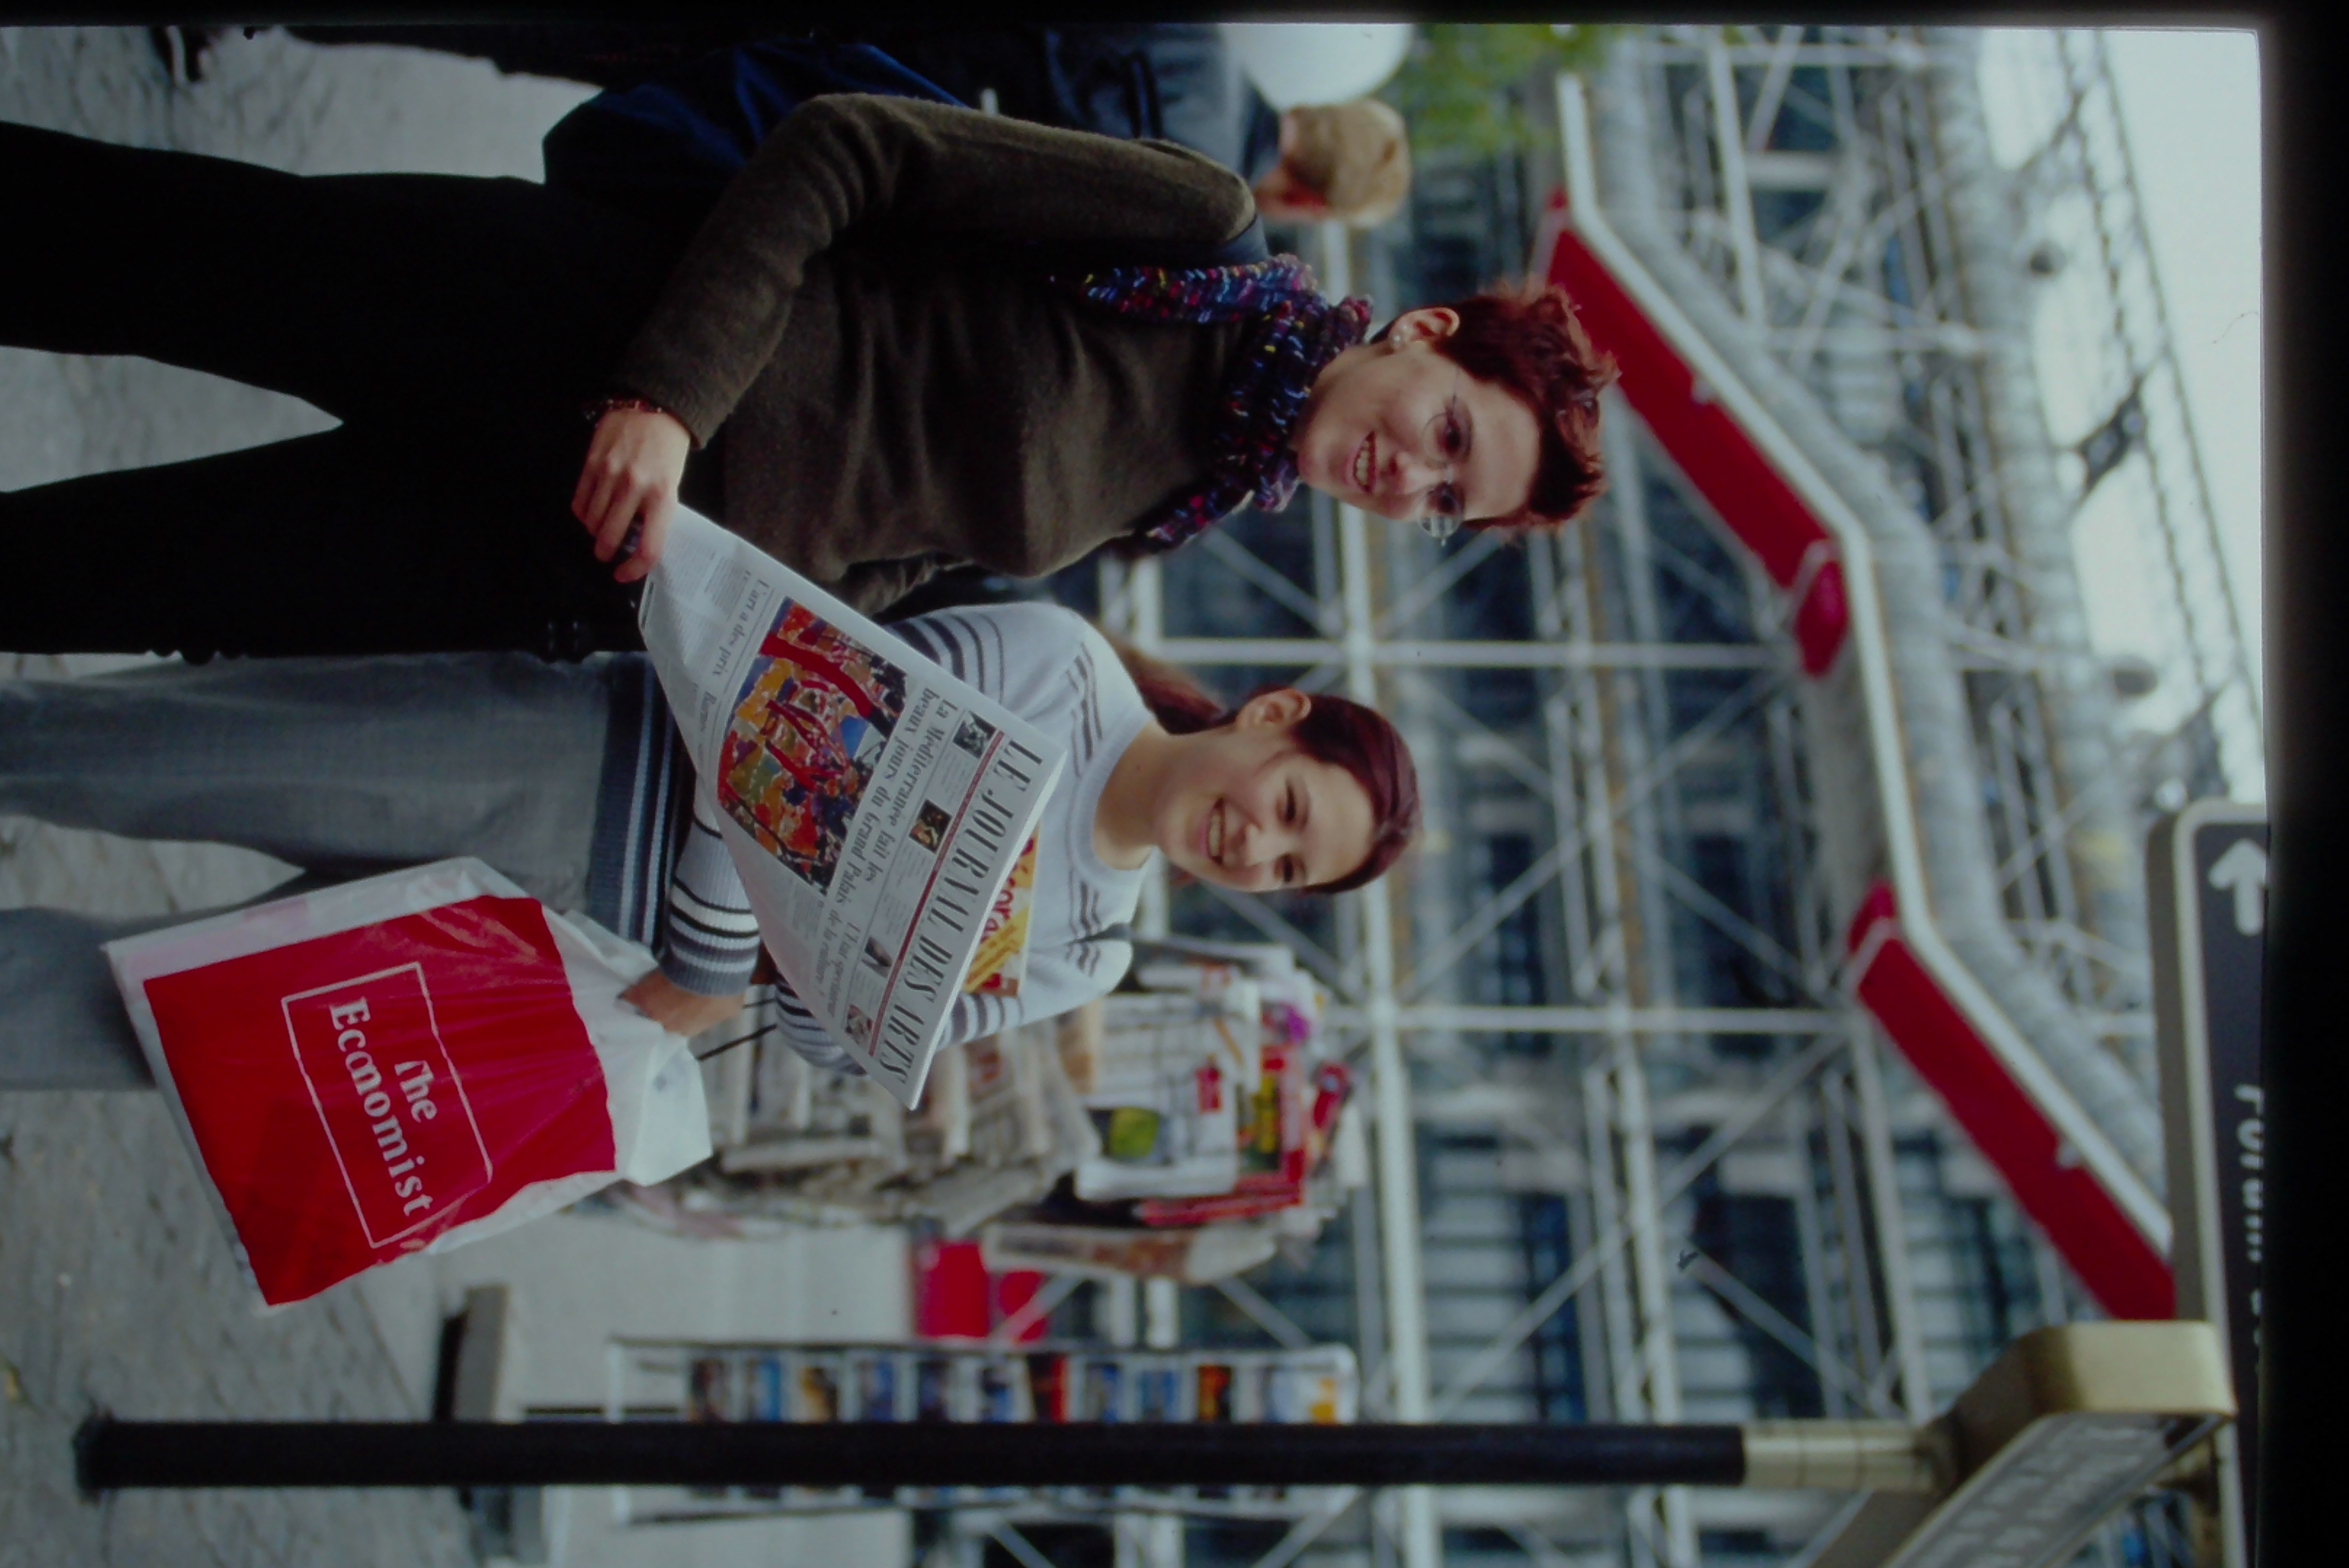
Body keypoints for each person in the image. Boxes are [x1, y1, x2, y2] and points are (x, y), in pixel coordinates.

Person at [0, 102, 1613, 663]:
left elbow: (889, 559)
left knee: (117, 574)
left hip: (567, 550)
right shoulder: (1197, 233)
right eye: (1449, 439)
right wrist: (677, 397)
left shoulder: (1187, 504)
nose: (1410, 482)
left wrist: (715, 617)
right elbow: (848, 146)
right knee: (135, 251)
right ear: (1420, 335)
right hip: (580, 325)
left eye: (1443, 504)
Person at [0, 602, 1419, 1088]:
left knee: (177, 1038)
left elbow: (848, 1039)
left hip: (570, 974)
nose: (1254, 846)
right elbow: (776, 720)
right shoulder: (1054, 667)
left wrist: (774, 964)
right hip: (566, 769)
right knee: (152, 757)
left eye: (1290, 871)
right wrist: (732, 950)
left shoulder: (1092, 956)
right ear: (1273, 718)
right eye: (1291, 809)